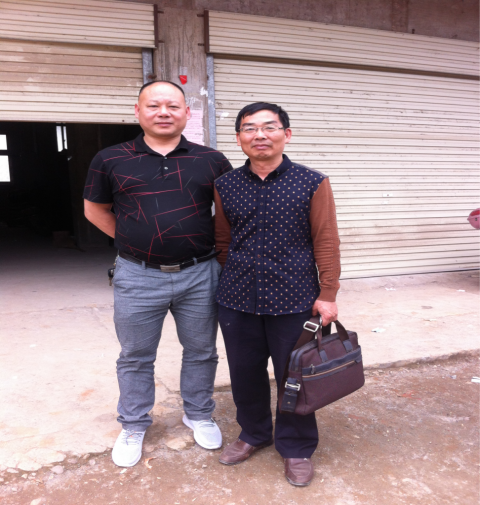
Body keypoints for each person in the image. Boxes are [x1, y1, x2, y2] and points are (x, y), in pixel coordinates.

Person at [83, 81, 232, 467]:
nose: (163, 112)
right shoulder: (110, 158)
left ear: (187, 113)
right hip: (137, 275)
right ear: (138, 111)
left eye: (172, 105)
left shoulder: (212, 160)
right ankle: (134, 423)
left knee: (201, 351)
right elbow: (94, 209)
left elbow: (226, 214)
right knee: (135, 354)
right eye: (154, 105)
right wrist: (133, 240)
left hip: (200, 273)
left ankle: (198, 413)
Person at [213, 102, 341, 486]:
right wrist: (239, 274)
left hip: (295, 299)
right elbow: (223, 241)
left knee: (295, 376)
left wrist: (328, 292)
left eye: (269, 127)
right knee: (244, 373)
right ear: (239, 138)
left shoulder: (312, 182)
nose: (260, 135)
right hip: (238, 299)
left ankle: (296, 446)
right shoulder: (226, 185)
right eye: (250, 128)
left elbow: (326, 241)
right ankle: (254, 433)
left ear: (287, 134)